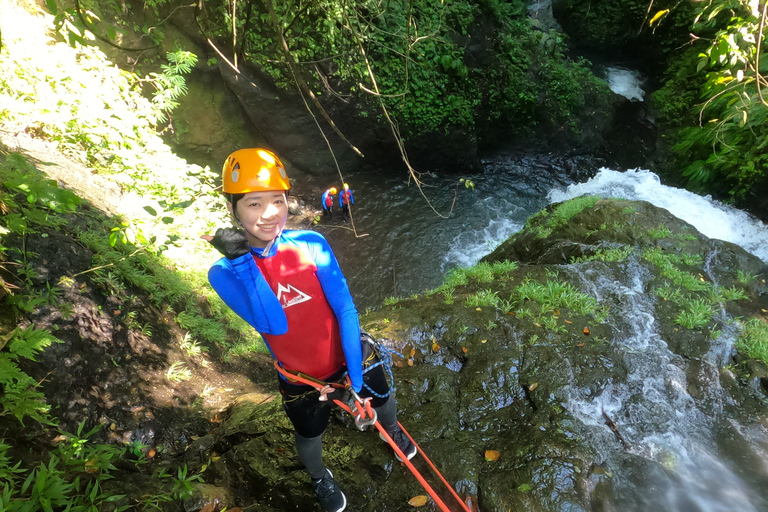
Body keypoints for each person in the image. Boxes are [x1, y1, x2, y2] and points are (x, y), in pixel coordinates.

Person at [204, 148, 415, 512]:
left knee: (383, 399)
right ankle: (319, 476)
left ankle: (392, 429)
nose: (270, 213)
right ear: (233, 209)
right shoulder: (224, 273)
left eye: (277, 200)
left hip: (351, 353)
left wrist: (356, 381)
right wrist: (243, 262)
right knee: (309, 434)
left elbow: (345, 309)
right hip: (302, 379)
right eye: (254, 204)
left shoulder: (311, 245)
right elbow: (275, 323)